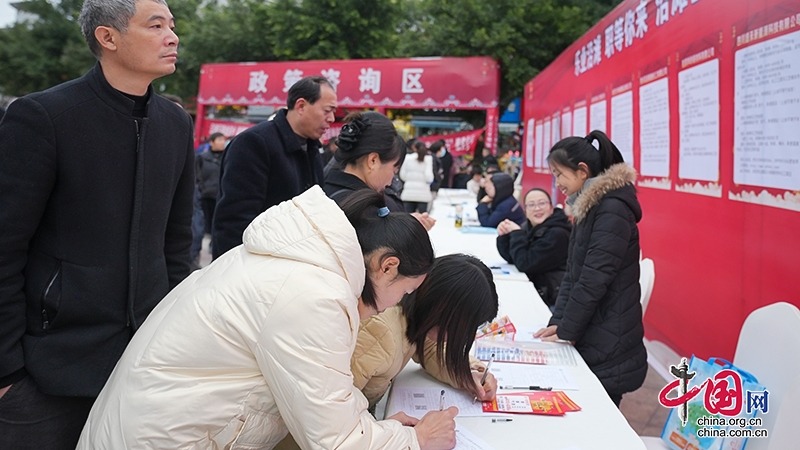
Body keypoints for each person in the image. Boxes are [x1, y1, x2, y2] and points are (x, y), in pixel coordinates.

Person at [77, 187, 458, 450]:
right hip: (162, 436)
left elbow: (323, 397)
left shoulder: (299, 263)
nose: (396, 304)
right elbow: (335, 440)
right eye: (406, 292)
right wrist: (415, 439)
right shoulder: (314, 295)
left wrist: (380, 429)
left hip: (152, 425)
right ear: (387, 266)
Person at [0, 0, 194, 448]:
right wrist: (8, 372)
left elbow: (177, 244)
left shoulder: (175, 124)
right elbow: (5, 248)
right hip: (47, 374)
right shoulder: (43, 117)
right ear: (107, 38)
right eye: (156, 25)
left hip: (143, 369)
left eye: (172, 25)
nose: (172, 36)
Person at [534, 130, 647, 408]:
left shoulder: (612, 210)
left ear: (582, 171)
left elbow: (594, 279)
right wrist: (558, 323)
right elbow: (573, 275)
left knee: (602, 419)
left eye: (560, 174)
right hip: (595, 329)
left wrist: (567, 329)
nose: (557, 182)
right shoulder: (591, 207)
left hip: (609, 341)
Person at [212, 75, 336, 259]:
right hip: (255, 266)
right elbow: (235, 221)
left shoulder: (312, 149)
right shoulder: (255, 142)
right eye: (327, 110)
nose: (332, 119)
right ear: (301, 106)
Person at [496, 188, 571, 308]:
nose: (537, 208)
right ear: (525, 211)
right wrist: (504, 236)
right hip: (537, 289)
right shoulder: (529, 226)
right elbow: (512, 257)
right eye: (531, 205)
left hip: (552, 299)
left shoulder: (557, 234)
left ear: (551, 207)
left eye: (542, 203)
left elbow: (525, 263)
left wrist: (516, 234)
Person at [323, 111, 407, 211]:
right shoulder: (368, 210)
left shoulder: (322, 192)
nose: (390, 182)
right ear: (373, 161)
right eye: (394, 171)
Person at [196, 132, 226, 235]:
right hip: (205, 195)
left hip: (221, 196)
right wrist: (201, 188)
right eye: (219, 140)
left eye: (223, 140)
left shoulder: (227, 157)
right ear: (211, 142)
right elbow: (197, 175)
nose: (223, 142)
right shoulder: (202, 158)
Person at [400, 140, 434, 213]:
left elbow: (402, 175)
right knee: (422, 219)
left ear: (413, 148)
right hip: (423, 194)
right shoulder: (428, 159)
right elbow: (429, 177)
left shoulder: (407, 158)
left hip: (408, 193)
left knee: (408, 218)